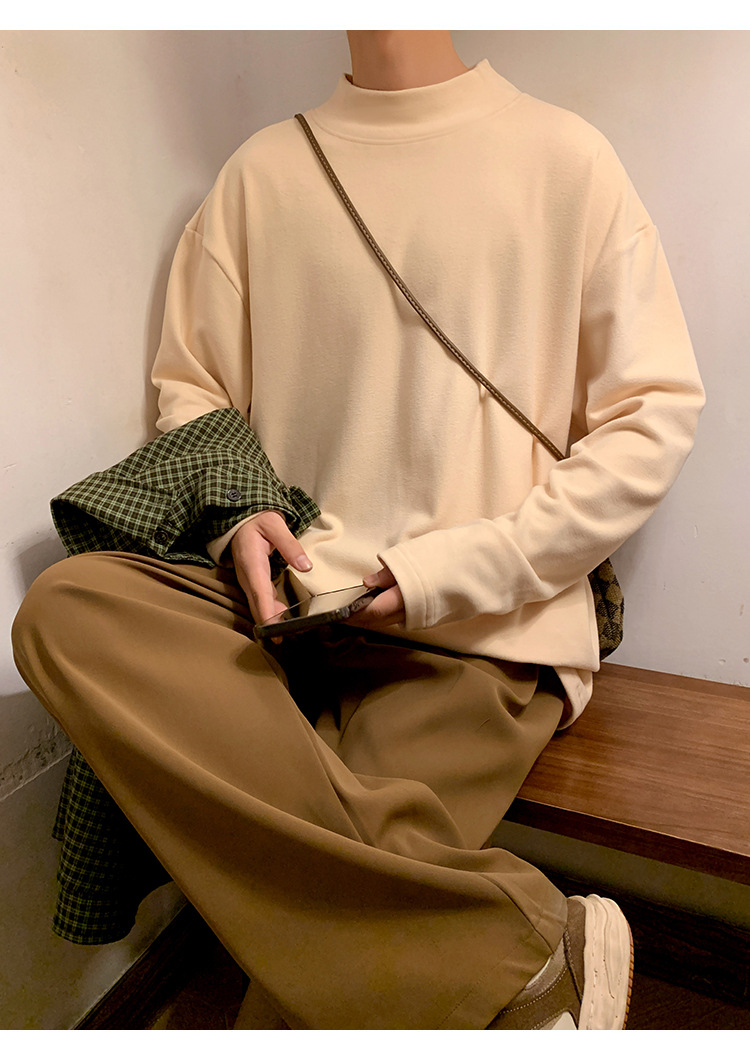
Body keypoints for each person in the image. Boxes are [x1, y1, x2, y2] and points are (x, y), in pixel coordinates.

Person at [11, 30, 705, 1029]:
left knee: (296, 1006)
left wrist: (455, 568)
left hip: (477, 632)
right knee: (69, 606)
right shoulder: (258, 175)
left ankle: (495, 960)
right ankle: (527, 948)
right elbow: (195, 388)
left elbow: (651, 417)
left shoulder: (566, 158)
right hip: (292, 612)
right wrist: (240, 514)